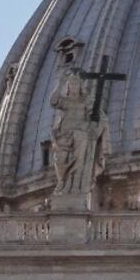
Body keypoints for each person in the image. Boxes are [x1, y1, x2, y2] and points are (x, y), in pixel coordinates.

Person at [49, 69, 108, 206]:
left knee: (79, 161)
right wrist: (60, 82)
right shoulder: (65, 101)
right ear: (68, 86)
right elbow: (53, 101)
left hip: (81, 135)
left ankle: (75, 187)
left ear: (81, 86)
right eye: (71, 84)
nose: (74, 87)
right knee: (60, 161)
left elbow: (100, 116)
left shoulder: (86, 101)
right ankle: (63, 182)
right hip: (63, 135)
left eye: (76, 84)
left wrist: (96, 129)